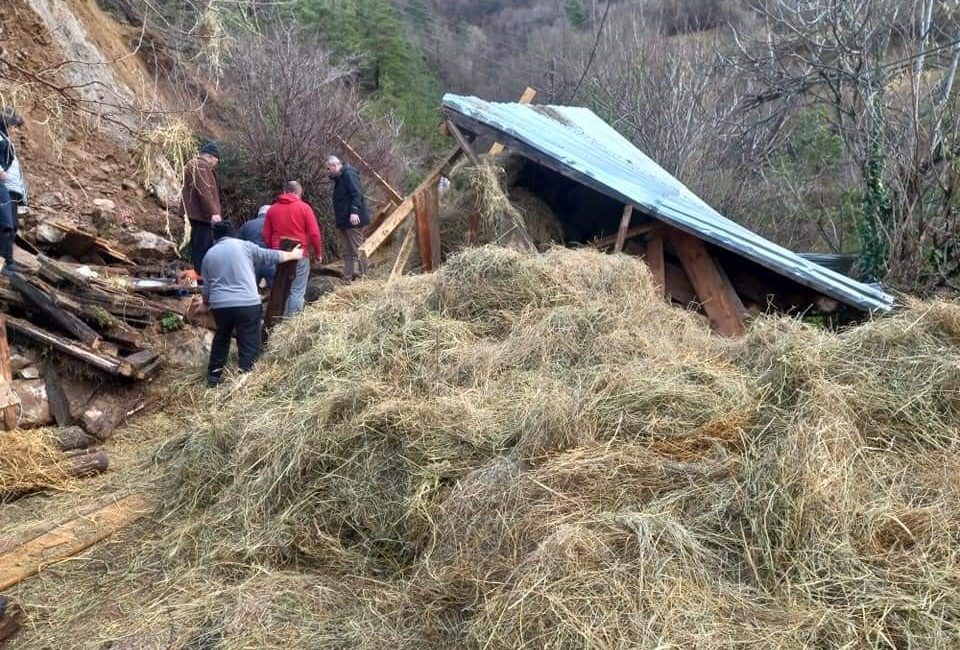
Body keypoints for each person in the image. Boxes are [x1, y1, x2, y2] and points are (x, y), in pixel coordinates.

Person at [201, 220, 303, 387]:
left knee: (222, 338)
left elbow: (207, 287)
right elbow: (269, 255)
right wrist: (293, 255)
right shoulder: (244, 246)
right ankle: (245, 378)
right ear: (233, 234)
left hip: (221, 306)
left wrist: (205, 303)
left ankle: (213, 377)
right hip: (247, 303)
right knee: (248, 339)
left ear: (215, 238)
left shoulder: (209, 254)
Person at [263, 181, 324, 316]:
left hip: (279, 253)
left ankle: (277, 318)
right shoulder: (304, 208)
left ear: (284, 191)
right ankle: (292, 322)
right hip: (299, 252)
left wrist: (272, 251)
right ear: (299, 192)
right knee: (297, 290)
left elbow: (266, 235)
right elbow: (314, 233)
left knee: (281, 288)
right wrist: (318, 253)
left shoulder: (272, 209)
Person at [180, 141, 222, 273]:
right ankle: (202, 276)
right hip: (201, 216)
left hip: (197, 214)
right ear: (211, 156)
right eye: (216, 161)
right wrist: (213, 212)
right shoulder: (200, 166)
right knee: (202, 249)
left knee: (199, 247)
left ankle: (200, 275)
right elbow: (204, 190)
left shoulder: (194, 165)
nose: (215, 165)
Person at [326, 155, 369, 280]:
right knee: (346, 251)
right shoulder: (340, 177)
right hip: (344, 221)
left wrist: (354, 211)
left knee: (358, 249)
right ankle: (347, 277)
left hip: (353, 220)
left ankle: (364, 277)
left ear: (335, 165)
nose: (328, 172)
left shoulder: (349, 174)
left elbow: (357, 193)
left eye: (328, 169)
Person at [0, 108, 26, 273]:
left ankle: (9, 261)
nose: (16, 130)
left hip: (13, 190)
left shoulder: (7, 142)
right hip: (4, 189)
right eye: (14, 126)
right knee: (6, 226)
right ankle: (3, 263)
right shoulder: (1, 139)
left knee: (13, 225)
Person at [239, 204, 277, 288]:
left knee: (250, 289)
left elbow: (240, 243)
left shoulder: (247, 225)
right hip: (270, 262)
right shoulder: (275, 224)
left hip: (253, 263)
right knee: (276, 291)